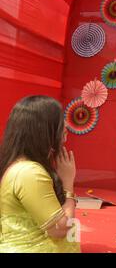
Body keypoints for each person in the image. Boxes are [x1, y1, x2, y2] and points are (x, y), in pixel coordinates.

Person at [0, 96, 80, 252]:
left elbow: (69, 232)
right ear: (43, 129)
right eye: (61, 120)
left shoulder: (23, 166)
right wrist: (68, 185)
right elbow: (60, 230)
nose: (66, 126)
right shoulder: (29, 173)